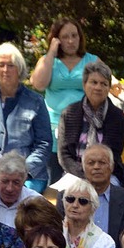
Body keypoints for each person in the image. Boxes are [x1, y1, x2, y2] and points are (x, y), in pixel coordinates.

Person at [0, 43, 52, 193]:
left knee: (23, 198)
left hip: (27, 175)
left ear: (19, 69)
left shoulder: (36, 101)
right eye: (1, 65)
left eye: (11, 65)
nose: (5, 70)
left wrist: (23, 170)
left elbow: (44, 143)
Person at [30, 17, 99, 183]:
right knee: (54, 176)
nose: (70, 41)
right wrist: (51, 53)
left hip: (83, 126)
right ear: (56, 39)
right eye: (65, 36)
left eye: (74, 35)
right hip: (53, 126)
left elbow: (104, 87)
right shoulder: (48, 61)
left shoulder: (92, 61)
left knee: (80, 177)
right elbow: (39, 84)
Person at [57, 144, 124, 248]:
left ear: (112, 167)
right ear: (83, 167)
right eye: (91, 163)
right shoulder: (67, 197)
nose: (96, 167)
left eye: (102, 162)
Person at [57, 60, 124, 183]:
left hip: (107, 174)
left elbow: (115, 156)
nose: (98, 87)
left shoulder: (117, 116)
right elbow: (64, 154)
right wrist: (84, 174)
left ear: (108, 88)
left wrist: (97, 175)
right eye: (94, 82)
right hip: (75, 173)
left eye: (103, 84)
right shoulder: (69, 113)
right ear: (84, 85)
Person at [62, 178, 117, 248]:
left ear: (93, 208)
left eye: (83, 201)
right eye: (70, 199)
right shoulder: (51, 234)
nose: (75, 205)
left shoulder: (106, 243)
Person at [0, 152, 42, 228]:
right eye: (5, 181)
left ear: (25, 180)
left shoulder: (37, 202)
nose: (9, 188)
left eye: (16, 182)